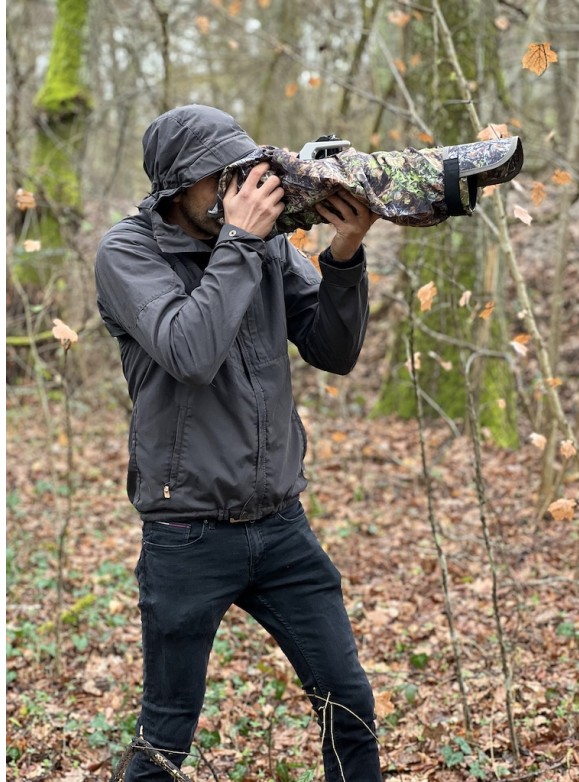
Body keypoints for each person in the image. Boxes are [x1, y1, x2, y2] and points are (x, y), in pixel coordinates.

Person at [95, 104, 382, 781]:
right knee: (166, 736)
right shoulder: (128, 251)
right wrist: (243, 243)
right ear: (173, 186)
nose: (235, 190)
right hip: (186, 532)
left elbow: (332, 350)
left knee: (352, 708)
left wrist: (344, 256)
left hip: (282, 526)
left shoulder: (262, 242)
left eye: (240, 172)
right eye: (215, 178)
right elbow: (189, 349)